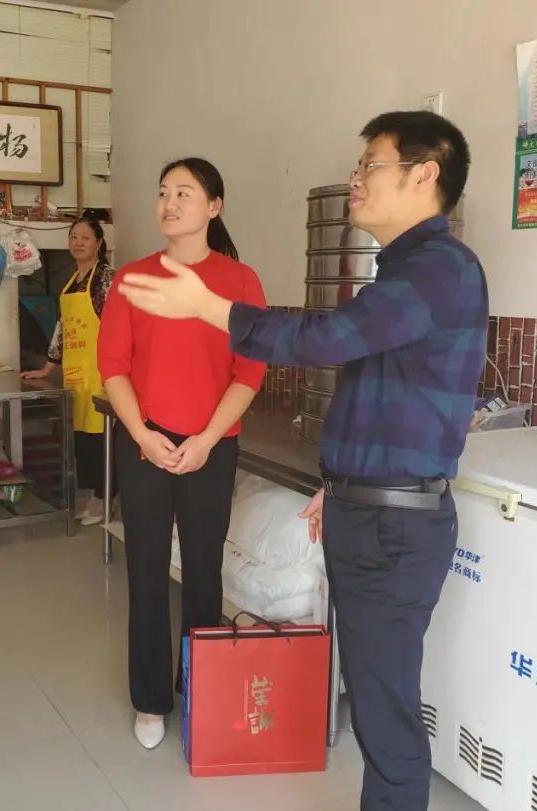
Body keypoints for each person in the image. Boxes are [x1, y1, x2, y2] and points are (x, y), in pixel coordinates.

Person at [116, 112, 488, 810]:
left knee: (384, 707)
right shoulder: (403, 273)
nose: (356, 178)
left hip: (392, 525)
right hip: (370, 506)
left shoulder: (440, 269)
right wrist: (340, 483)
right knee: (378, 699)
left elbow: (330, 338)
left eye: (371, 165)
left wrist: (210, 307)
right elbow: (379, 397)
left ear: (424, 175)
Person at [97, 157, 267, 750]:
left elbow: (249, 371)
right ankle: (150, 701)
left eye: (184, 193)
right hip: (145, 444)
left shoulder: (239, 281)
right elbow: (112, 366)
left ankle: (198, 686)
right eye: (163, 192)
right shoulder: (133, 279)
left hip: (210, 446)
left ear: (214, 207)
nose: (169, 203)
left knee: (202, 572)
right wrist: (142, 434)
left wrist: (207, 439)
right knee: (145, 569)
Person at [22, 217, 116, 525]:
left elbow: (121, 328)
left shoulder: (107, 279)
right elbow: (62, 329)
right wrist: (46, 368)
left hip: (102, 374)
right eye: (73, 237)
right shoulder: (72, 280)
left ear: (98, 243)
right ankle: (94, 498)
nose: (78, 242)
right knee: (83, 440)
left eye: (85, 237)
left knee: (102, 440)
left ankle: (104, 500)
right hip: (76, 375)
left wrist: (119, 374)